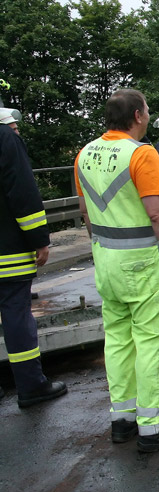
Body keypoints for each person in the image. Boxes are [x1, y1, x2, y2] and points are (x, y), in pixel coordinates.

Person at [75, 88, 159, 451]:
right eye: (146, 111)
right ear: (138, 116)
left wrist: (103, 247)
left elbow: (85, 212)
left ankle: (123, 419)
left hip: (106, 260)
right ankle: (153, 426)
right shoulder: (142, 154)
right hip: (141, 264)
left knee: (117, 338)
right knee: (152, 339)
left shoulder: (85, 153)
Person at [0, 111, 68, 408]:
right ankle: (31, 385)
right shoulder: (5, 138)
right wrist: (39, 239)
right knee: (16, 314)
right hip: (7, 250)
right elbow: (23, 193)